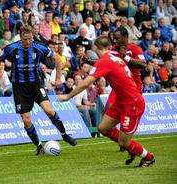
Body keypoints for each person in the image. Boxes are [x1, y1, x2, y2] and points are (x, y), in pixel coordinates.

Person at [58, 36, 155, 167]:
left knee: (124, 142)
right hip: (121, 101)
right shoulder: (112, 58)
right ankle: (131, 148)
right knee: (103, 128)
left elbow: (87, 82)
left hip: (132, 103)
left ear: (95, 48)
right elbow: (104, 67)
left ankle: (148, 157)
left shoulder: (105, 60)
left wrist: (68, 96)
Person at [1, 26, 77, 155]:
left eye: (30, 38)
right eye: (25, 39)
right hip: (19, 87)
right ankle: (38, 145)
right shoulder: (11, 48)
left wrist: (58, 77)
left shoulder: (39, 47)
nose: (28, 41)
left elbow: (57, 59)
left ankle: (64, 135)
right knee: (26, 119)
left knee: (49, 110)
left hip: (36, 84)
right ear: (20, 37)